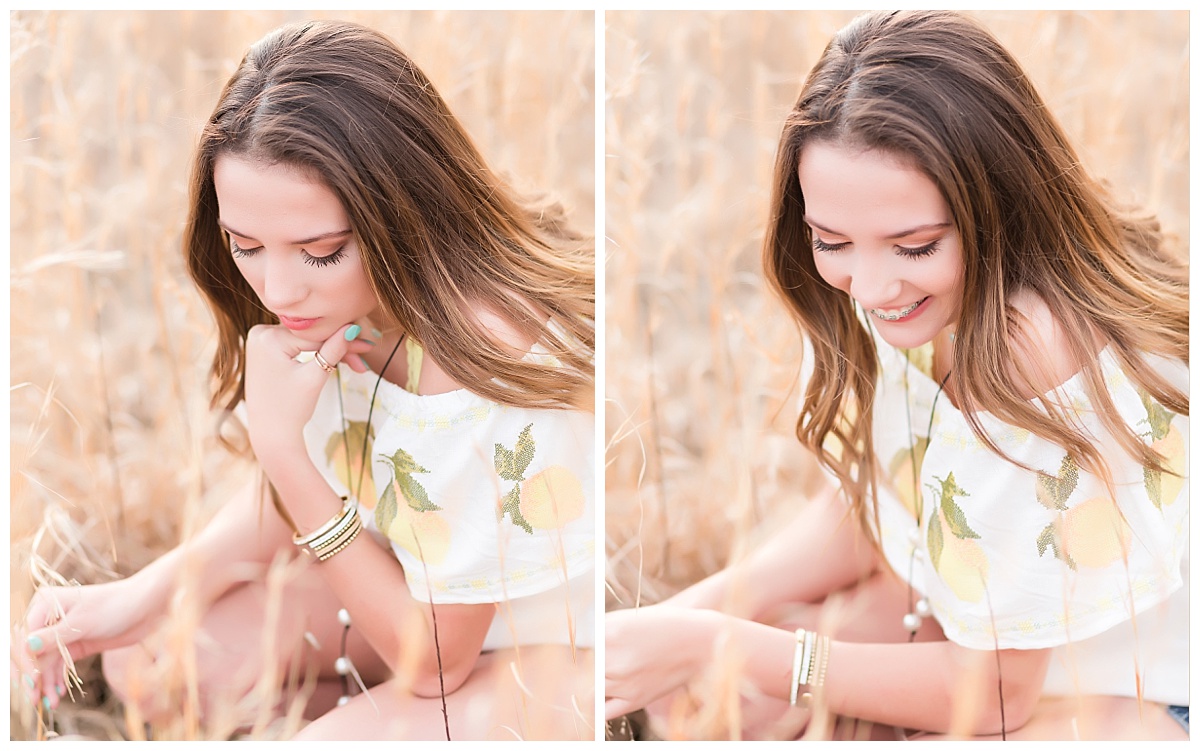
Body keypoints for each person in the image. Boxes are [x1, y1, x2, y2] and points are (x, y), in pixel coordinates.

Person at [604, 10, 1188, 740]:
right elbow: (886, 501)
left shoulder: (1027, 346)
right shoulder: (920, 300)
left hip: (1133, 690)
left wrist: (727, 644)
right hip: (982, 628)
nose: (872, 286)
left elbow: (997, 693)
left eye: (913, 245)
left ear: (997, 205)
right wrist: (702, 608)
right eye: (832, 240)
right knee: (709, 691)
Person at [14, 20, 595, 741]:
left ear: (403, 214)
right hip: (417, 589)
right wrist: (143, 594)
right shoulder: (352, 307)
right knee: (153, 664)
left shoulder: (477, 350)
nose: (278, 290)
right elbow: (332, 471)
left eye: (320, 252)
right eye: (246, 246)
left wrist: (282, 449)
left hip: (542, 649)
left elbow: (436, 662)